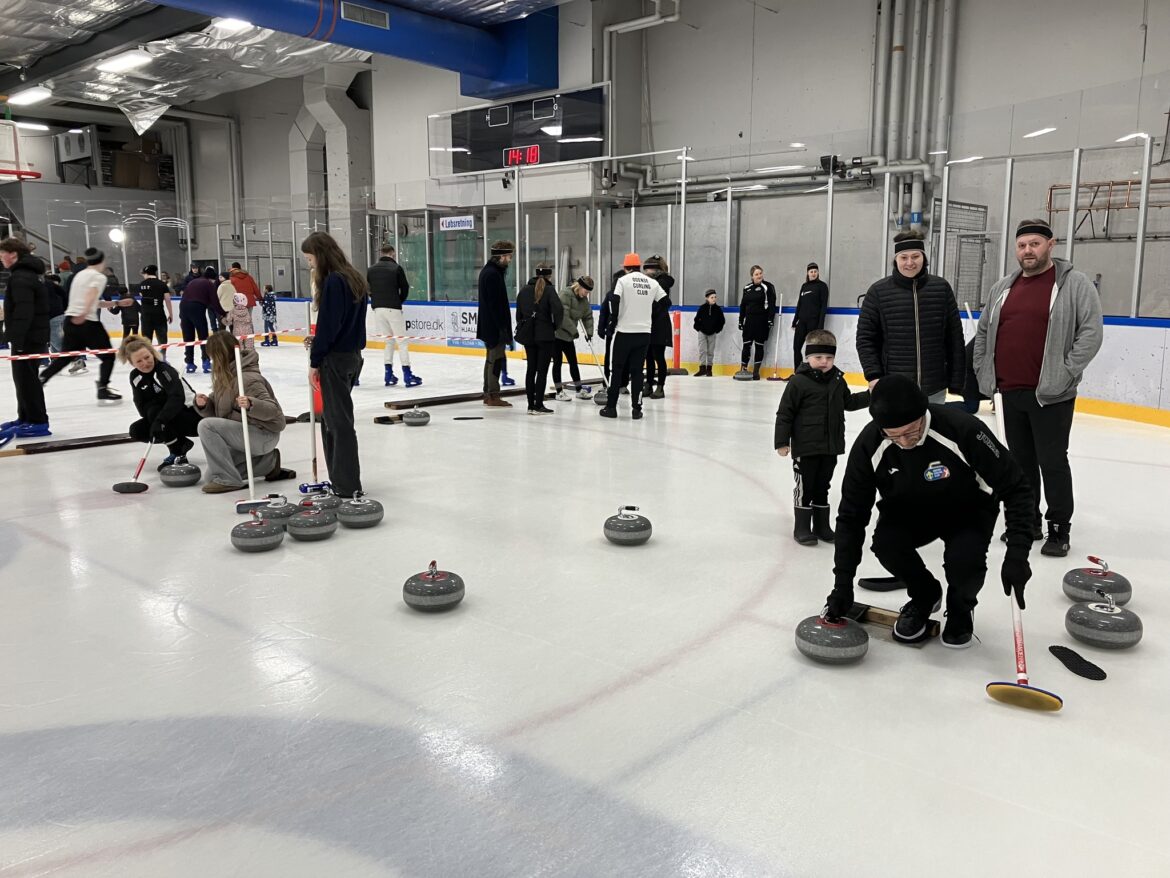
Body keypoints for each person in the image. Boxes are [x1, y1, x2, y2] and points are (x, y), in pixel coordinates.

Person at [823, 374, 1035, 648]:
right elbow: (851, 515)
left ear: (923, 413)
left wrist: (1018, 555)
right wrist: (843, 585)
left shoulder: (964, 429)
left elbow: (1017, 488)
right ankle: (925, 594)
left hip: (967, 509)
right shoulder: (870, 444)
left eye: (911, 431)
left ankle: (961, 609)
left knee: (964, 562)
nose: (904, 442)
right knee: (887, 544)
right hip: (909, 508)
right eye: (893, 436)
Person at [973, 218, 1104, 558]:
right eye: (1022, 245)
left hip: (1051, 394)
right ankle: (1027, 521)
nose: (1027, 250)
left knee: (1052, 461)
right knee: (1020, 463)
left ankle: (1058, 528)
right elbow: (985, 331)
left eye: (1034, 243)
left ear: (1050, 245)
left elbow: (1090, 332)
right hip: (1009, 392)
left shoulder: (1074, 284)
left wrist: (1065, 372)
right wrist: (984, 371)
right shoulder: (1003, 286)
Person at [774, 329, 871, 546]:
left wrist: (871, 396)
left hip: (830, 445)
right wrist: (782, 442)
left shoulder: (837, 380)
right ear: (808, 357)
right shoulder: (798, 382)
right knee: (805, 487)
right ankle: (801, 527)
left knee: (822, 486)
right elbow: (785, 413)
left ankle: (821, 526)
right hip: (806, 446)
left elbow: (849, 403)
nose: (824, 362)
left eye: (829, 357)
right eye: (818, 357)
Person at [856, 230, 964, 403]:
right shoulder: (878, 292)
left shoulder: (941, 289)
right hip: (894, 386)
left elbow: (954, 337)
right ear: (895, 260)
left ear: (924, 258)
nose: (910, 263)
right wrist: (874, 375)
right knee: (899, 430)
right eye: (903, 257)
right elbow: (865, 338)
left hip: (934, 386)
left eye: (915, 256)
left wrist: (956, 379)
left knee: (933, 429)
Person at [303, 231, 367, 498]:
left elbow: (330, 325)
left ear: (321, 254)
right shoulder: (353, 277)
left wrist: (315, 359)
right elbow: (343, 324)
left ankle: (346, 484)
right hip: (352, 356)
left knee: (337, 423)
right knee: (333, 420)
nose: (310, 264)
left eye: (310, 258)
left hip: (335, 360)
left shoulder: (333, 282)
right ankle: (341, 479)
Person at [195, 331, 292, 493]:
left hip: (263, 435)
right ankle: (269, 462)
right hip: (243, 436)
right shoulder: (227, 377)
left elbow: (273, 411)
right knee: (211, 476)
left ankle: (229, 480)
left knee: (206, 426)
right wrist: (205, 404)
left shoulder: (247, 378)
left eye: (213, 357)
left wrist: (251, 404)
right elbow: (220, 411)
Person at [38, 247, 122, 403]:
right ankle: (103, 388)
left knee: (65, 357)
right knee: (108, 357)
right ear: (102, 261)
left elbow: (93, 301)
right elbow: (90, 295)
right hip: (87, 322)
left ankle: (42, 379)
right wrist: (82, 314)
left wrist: (117, 302)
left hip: (70, 320)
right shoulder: (98, 277)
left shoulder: (78, 275)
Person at [600, 252, 667, 421]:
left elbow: (614, 299)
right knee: (637, 372)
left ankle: (611, 408)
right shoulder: (652, 282)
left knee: (617, 370)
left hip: (624, 332)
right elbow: (666, 303)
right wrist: (650, 316)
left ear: (625, 267)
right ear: (639, 267)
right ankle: (636, 410)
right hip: (644, 333)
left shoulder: (622, 281)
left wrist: (613, 320)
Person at [118, 334, 200, 468]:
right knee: (137, 430)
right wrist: (156, 419)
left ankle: (177, 451)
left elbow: (177, 398)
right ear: (132, 363)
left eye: (147, 357)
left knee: (155, 412)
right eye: (139, 361)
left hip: (191, 416)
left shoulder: (163, 371)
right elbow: (141, 407)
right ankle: (180, 444)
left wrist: (160, 420)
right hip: (165, 417)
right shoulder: (135, 377)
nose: (145, 363)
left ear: (153, 353)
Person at [0, 238, 51, 442]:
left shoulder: (21, 277)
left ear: (13, 254)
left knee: (27, 380)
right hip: (29, 337)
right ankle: (26, 416)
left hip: (28, 338)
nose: (1, 258)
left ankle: (38, 421)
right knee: (22, 379)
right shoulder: (26, 275)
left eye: (2, 254)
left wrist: (14, 338)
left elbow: (24, 311)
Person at [367, 245, 420, 387]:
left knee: (388, 341)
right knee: (401, 342)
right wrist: (399, 301)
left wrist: (376, 300)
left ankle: (388, 374)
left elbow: (369, 288)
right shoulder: (396, 268)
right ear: (392, 254)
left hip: (378, 309)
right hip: (393, 308)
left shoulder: (371, 270)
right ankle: (407, 375)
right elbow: (405, 287)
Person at [515, 263, 564, 415]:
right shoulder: (549, 290)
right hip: (545, 335)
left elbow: (519, 314)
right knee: (542, 371)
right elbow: (559, 311)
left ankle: (530, 406)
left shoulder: (523, 290)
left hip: (529, 335)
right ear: (550, 276)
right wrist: (554, 326)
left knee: (531, 369)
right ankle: (539, 404)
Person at [476, 240, 515, 408]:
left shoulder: (491, 271)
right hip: (493, 327)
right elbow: (494, 305)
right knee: (495, 359)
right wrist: (502, 329)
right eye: (509, 256)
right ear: (502, 257)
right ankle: (492, 395)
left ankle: (488, 393)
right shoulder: (492, 274)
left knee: (491, 359)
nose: (510, 260)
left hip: (491, 325)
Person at [598, 253, 640, 391]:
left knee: (626, 359)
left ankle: (623, 384)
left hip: (626, 331)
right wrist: (601, 328)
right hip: (612, 332)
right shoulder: (610, 295)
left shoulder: (630, 296)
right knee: (610, 359)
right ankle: (607, 383)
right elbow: (604, 312)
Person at [553, 275, 596, 400]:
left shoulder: (583, 300)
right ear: (579, 287)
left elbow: (588, 316)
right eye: (586, 291)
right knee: (557, 362)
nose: (586, 294)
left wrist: (589, 332)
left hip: (568, 336)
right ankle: (559, 391)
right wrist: (574, 330)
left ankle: (579, 390)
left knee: (573, 362)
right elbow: (563, 316)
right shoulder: (565, 295)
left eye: (588, 292)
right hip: (556, 334)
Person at [642, 255, 675, 399]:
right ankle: (649, 384)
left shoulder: (662, 282)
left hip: (660, 323)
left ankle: (660, 387)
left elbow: (657, 302)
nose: (647, 271)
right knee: (648, 356)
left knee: (658, 356)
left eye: (649, 268)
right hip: (648, 323)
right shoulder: (649, 281)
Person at [179, 267, 221, 374]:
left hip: (183, 307)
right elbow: (215, 302)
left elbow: (184, 296)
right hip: (197, 308)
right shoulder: (209, 284)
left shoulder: (192, 282)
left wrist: (181, 316)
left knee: (188, 337)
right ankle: (206, 362)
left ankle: (189, 364)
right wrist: (223, 313)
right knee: (203, 336)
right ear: (212, 278)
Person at [738, 265, 777, 379]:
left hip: (762, 321)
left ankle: (756, 371)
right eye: (756, 274)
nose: (759, 276)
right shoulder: (747, 288)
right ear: (752, 276)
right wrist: (741, 320)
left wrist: (770, 319)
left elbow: (772, 304)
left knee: (759, 346)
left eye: (760, 273)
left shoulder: (768, 287)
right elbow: (743, 305)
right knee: (746, 345)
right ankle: (743, 369)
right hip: (749, 321)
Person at [793, 262, 828, 371]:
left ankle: (812, 372)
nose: (813, 273)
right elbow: (800, 304)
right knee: (796, 347)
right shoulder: (804, 286)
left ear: (818, 273)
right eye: (811, 271)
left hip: (814, 322)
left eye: (815, 271)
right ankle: (798, 372)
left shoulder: (822, 286)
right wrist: (795, 320)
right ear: (807, 273)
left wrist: (820, 325)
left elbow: (823, 307)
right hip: (802, 322)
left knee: (812, 350)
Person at [137, 264, 172, 351]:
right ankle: (162, 357)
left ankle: (148, 357)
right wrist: (170, 314)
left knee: (146, 339)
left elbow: (141, 295)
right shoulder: (162, 284)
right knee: (162, 338)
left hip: (145, 314)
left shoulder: (142, 284)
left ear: (146, 273)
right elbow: (167, 300)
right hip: (159, 313)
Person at [692, 288, 725, 376]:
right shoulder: (702, 308)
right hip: (702, 333)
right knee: (702, 350)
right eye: (712, 297)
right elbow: (696, 319)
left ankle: (709, 369)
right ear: (707, 298)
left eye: (715, 297)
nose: (714, 299)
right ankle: (702, 369)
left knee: (710, 351)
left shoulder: (718, 309)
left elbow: (722, 321)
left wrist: (717, 329)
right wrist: (698, 328)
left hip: (712, 333)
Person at [43, 272, 67, 366]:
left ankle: (75, 358)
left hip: (53, 315)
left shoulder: (42, 283)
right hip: (58, 313)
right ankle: (55, 359)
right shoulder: (49, 284)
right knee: (54, 338)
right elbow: (64, 294)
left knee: (55, 339)